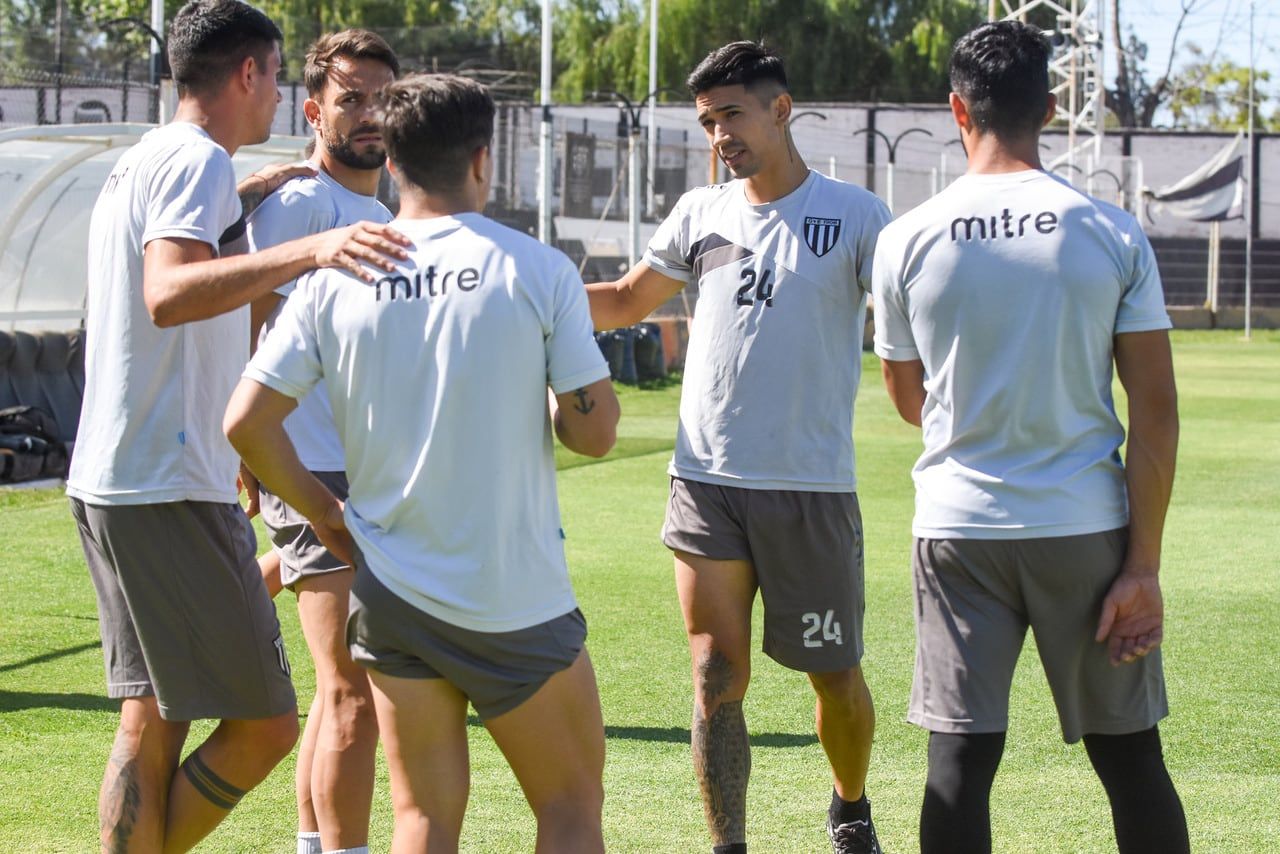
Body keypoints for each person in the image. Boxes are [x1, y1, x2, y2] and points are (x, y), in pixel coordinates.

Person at [225, 73, 620, 853]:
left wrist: (325, 515)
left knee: (421, 819)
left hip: (392, 590)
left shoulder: (335, 276)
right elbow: (595, 434)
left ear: (395, 160)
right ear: (483, 159)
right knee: (570, 806)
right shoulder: (536, 268)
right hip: (512, 594)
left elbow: (245, 422)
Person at [65, 2, 409, 851]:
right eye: (279, 75)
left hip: (119, 476)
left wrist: (249, 196)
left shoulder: (151, 157)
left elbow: (181, 265)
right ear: (251, 74)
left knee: (147, 722)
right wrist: (311, 251)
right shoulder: (196, 162)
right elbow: (169, 291)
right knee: (265, 725)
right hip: (168, 482)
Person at [871, 20, 1188, 854]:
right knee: (1131, 761)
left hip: (956, 531)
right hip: (1085, 530)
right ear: (1049, 108)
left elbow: (910, 400)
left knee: (958, 765)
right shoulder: (1111, 232)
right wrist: (1143, 566)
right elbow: (1154, 409)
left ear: (955, 111)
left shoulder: (904, 239)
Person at [586, 41, 890, 854]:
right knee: (715, 678)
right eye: (707, 120)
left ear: (780, 110)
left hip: (810, 487)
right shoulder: (698, 213)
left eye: (732, 115)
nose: (719, 134)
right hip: (706, 482)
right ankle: (729, 845)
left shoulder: (859, 216)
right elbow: (621, 301)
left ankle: (850, 805)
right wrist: (524, 291)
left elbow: (919, 315)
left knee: (834, 676)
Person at [244, 28, 400, 854]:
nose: (371, 113)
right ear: (314, 109)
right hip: (310, 466)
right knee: (352, 692)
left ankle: (313, 845)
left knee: (341, 688)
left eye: (382, 97)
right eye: (352, 98)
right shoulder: (302, 203)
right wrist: (253, 452)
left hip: (364, 467)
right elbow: (241, 315)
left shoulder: (375, 211)